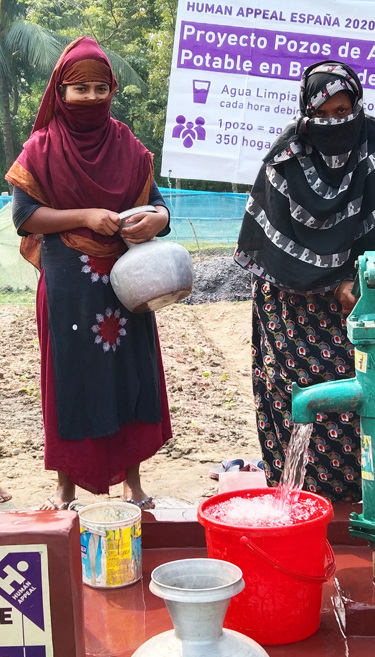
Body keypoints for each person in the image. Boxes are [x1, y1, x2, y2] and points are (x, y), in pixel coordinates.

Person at [6, 36, 172, 511]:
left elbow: (157, 205)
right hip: (68, 288)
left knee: (131, 373)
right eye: (81, 89)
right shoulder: (41, 147)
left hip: (128, 281)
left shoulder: (127, 145)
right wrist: (83, 216)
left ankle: (132, 481)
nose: (93, 98)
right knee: (70, 379)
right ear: (60, 92)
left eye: (102, 88)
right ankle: (65, 485)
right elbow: (25, 217)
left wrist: (156, 220)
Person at [234, 60, 375, 502]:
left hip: (359, 300)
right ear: (306, 113)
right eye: (325, 114)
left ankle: (355, 491)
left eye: (343, 111)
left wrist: (359, 282)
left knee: (359, 390)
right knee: (298, 394)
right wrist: (332, 285)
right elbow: (273, 247)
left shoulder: (372, 150)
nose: (336, 122)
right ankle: (299, 494)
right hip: (290, 305)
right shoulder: (285, 160)